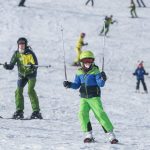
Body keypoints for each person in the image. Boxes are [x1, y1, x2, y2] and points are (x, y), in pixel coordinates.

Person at [63, 51, 118, 144]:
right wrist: (69, 84)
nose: (87, 62)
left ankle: (111, 135)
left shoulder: (96, 71)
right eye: (85, 60)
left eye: (90, 60)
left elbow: (100, 84)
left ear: (93, 61)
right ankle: (88, 134)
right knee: (82, 114)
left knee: (100, 114)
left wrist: (103, 79)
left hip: (94, 97)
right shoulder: (79, 72)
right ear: (81, 62)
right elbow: (76, 85)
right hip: (83, 98)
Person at [3, 37, 42, 119]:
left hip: (31, 75)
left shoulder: (30, 53)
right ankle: (19, 111)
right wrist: (7, 66)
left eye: (23, 44)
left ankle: (36, 111)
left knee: (30, 90)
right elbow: (11, 65)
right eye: (20, 44)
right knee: (18, 91)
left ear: (25, 45)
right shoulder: (16, 53)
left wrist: (32, 67)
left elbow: (35, 65)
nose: (21, 46)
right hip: (22, 75)